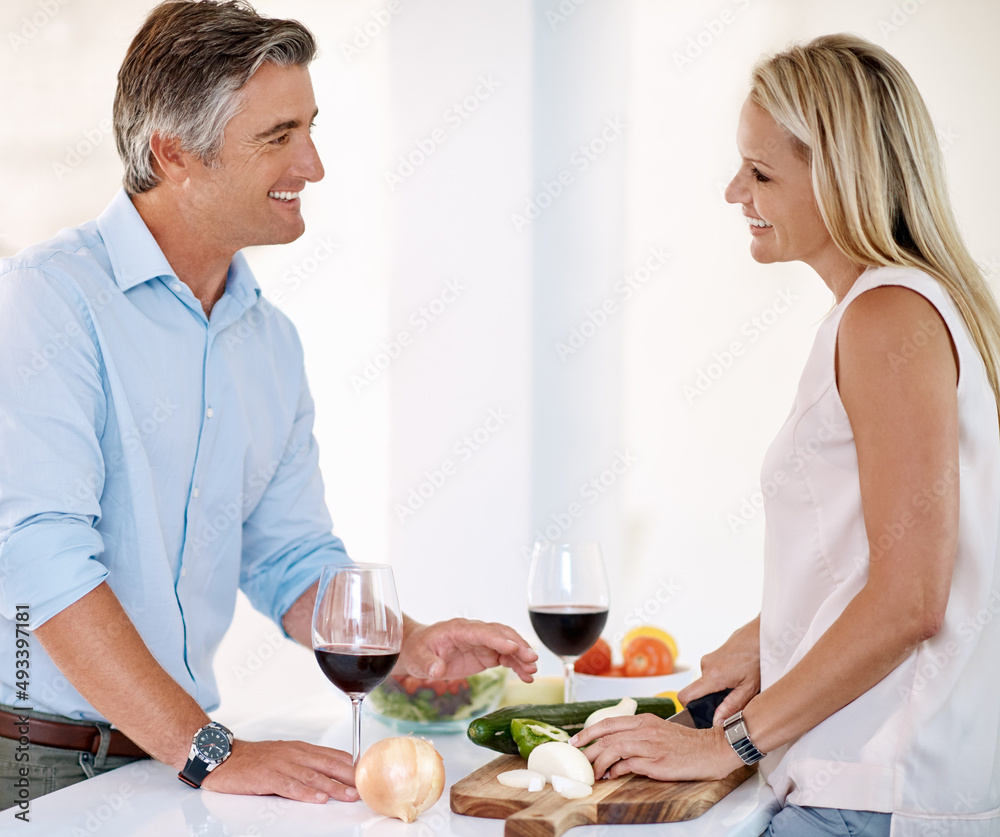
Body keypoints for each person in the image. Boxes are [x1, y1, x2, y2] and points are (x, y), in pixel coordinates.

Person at [0, 0, 536, 812]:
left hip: (169, 762)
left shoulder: (268, 339)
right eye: (277, 136)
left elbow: (289, 558)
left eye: (309, 127)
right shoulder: (48, 301)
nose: (312, 164)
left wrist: (404, 644)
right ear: (173, 152)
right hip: (36, 763)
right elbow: (43, 561)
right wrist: (210, 750)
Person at [573, 34, 1000, 836]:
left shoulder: (887, 317)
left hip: (867, 793)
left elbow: (912, 598)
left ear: (843, 181)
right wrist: (773, 637)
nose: (735, 189)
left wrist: (730, 740)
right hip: (869, 784)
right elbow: (879, 556)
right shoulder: (900, 308)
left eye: (762, 172)